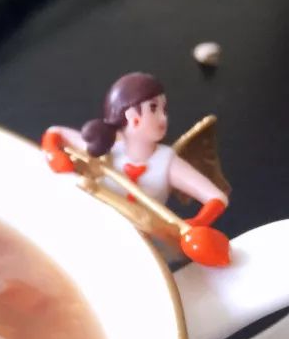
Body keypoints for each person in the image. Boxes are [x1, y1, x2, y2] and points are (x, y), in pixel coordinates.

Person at [41, 72, 227, 227]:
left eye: (164, 109)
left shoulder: (167, 162)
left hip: (147, 239)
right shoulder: (106, 148)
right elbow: (55, 133)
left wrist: (197, 223)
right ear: (131, 117)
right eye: (153, 108)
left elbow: (217, 197)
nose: (163, 118)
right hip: (98, 225)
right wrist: (52, 154)